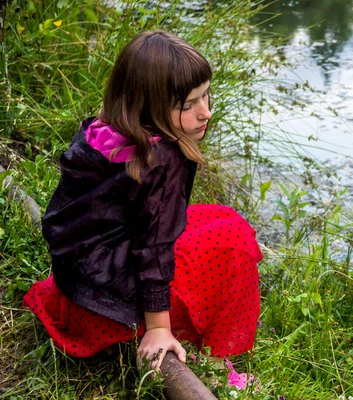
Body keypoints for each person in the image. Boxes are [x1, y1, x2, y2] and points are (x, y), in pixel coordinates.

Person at [22, 30, 263, 375]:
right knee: (235, 238)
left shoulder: (102, 131)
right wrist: (158, 327)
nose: (206, 112)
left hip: (78, 294)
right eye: (188, 105)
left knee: (216, 216)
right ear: (148, 105)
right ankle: (215, 359)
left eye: (206, 96)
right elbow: (154, 249)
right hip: (115, 313)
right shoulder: (160, 159)